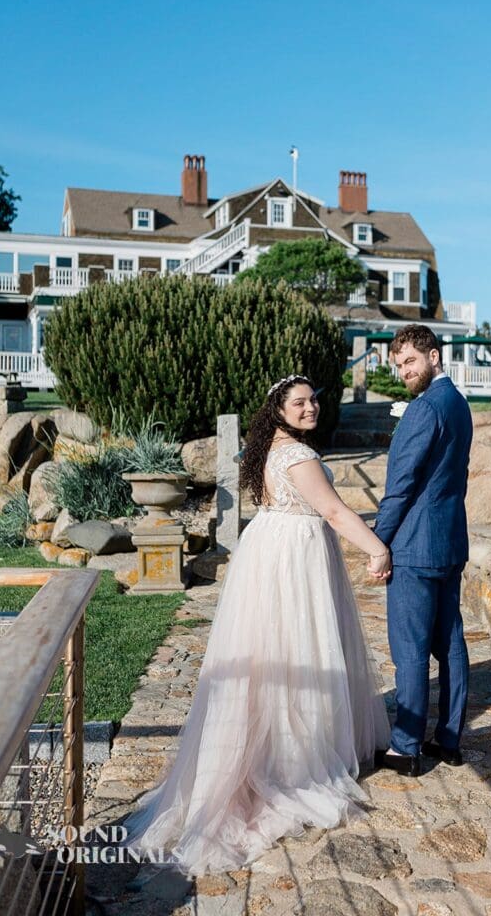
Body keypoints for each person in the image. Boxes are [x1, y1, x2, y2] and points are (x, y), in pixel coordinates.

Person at [124, 375, 391, 875]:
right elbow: (333, 510)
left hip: (271, 548)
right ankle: (293, 755)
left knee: (275, 651)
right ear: (279, 408)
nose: (311, 407)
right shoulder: (300, 457)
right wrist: (376, 547)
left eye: (313, 400)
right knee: (300, 649)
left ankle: (276, 742)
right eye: (299, 402)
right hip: (294, 556)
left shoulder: (267, 447)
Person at [369, 324, 473, 777]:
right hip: (449, 540)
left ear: (433, 355)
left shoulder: (424, 408)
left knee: (409, 649)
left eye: (410, 361)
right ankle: (449, 739)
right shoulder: (459, 404)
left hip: (414, 545)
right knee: (449, 643)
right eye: (398, 366)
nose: (404, 372)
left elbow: (400, 488)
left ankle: (405, 747)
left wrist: (378, 542)